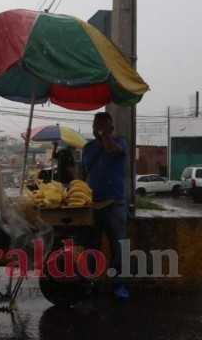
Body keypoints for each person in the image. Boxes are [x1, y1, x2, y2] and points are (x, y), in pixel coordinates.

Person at [79, 111, 130, 300]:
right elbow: (82, 173)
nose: (97, 129)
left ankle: (119, 284)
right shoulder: (87, 148)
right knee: (91, 246)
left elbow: (112, 151)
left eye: (101, 125)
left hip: (115, 203)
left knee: (119, 246)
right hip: (92, 204)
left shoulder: (120, 143)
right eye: (95, 125)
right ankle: (89, 282)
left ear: (111, 128)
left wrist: (104, 135)